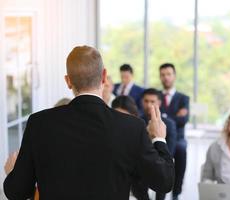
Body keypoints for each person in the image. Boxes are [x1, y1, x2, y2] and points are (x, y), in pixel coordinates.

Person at [3, 45, 174, 200]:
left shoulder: (38, 123)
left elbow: (16, 192)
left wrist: (12, 174)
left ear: (68, 81)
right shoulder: (132, 126)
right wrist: (159, 139)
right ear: (104, 77)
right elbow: (164, 182)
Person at [131, 88, 177, 200]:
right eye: (146, 101)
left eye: (152, 102)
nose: (148, 105)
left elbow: (169, 150)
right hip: (142, 162)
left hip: (160, 161)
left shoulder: (169, 124)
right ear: (141, 102)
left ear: (159, 103)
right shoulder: (136, 121)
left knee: (163, 173)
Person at [159, 63, 189, 200]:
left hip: (178, 138)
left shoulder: (183, 98)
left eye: (168, 74)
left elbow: (184, 120)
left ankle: (176, 192)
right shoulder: (156, 96)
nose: (166, 77)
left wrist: (163, 117)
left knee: (181, 149)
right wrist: (175, 116)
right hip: (160, 136)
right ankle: (160, 192)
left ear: (174, 76)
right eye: (163, 74)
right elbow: (149, 117)